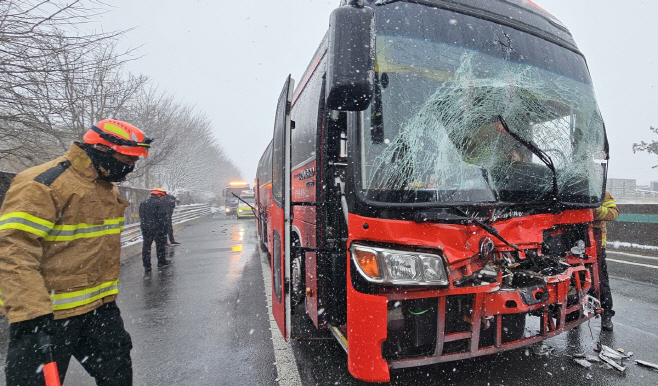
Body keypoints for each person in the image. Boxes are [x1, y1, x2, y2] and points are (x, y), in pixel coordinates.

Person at [0, 119, 152, 386]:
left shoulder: (105, 186)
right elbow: (13, 253)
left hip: (99, 311)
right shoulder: (43, 184)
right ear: (101, 150)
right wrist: (32, 314)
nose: (131, 166)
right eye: (126, 158)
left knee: (118, 376)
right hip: (46, 317)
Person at [592, 190, 619, 331]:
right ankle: (572, 315)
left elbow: (613, 213)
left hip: (595, 245)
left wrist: (594, 210)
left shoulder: (602, 193)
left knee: (601, 281)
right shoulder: (569, 191)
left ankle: (606, 315)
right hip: (572, 243)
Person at [139, 188, 172, 275]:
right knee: (160, 246)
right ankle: (161, 262)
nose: (162, 198)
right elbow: (163, 217)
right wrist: (165, 228)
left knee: (146, 248)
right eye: (162, 196)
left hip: (146, 228)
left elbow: (141, 217)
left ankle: (147, 267)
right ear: (159, 195)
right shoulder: (160, 204)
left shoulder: (143, 204)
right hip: (158, 228)